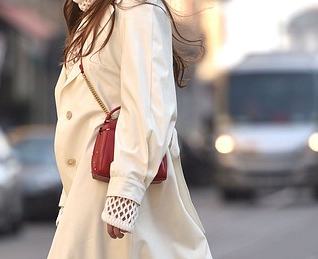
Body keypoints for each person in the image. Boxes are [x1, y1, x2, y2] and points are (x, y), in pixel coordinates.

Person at [47, 0, 213, 258]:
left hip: (117, 181)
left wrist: (126, 190)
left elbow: (148, 103)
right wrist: (68, 199)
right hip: (89, 185)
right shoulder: (89, 13)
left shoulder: (137, 8)